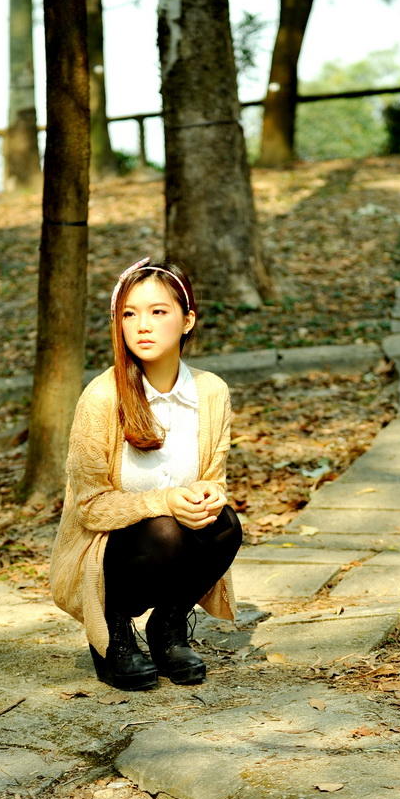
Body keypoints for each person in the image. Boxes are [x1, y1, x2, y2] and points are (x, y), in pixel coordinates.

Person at [50, 257, 242, 690]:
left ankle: (167, 628)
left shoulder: (211, 392)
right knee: (164, 530)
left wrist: (209, 494)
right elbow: (89, 508)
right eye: (129, 314)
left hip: (168, 545)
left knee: (225, 524)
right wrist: (165, 501)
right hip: (109, 554)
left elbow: (214, 476)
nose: (142, 326)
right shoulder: (102, 397)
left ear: (187, 320)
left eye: (158, 311)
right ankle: (113, 631)